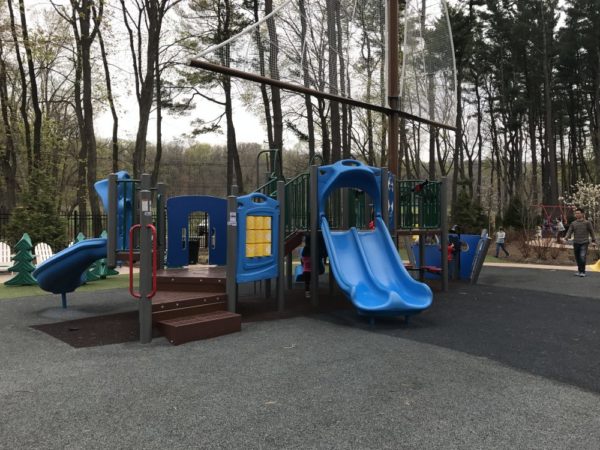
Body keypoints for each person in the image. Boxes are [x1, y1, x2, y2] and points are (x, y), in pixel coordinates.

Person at [565, 208, 596, 277]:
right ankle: (579, 271)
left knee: (582, 256)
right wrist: (566, 237)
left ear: (582, 214)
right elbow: (570, 231)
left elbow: (592, 232)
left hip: (584, 242)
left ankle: (583, 272)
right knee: (577, 257)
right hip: (576, 242)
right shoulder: (573, 223)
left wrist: (593, 240)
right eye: (576, 213)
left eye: (578, 213)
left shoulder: (587, 223)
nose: (577, 214)